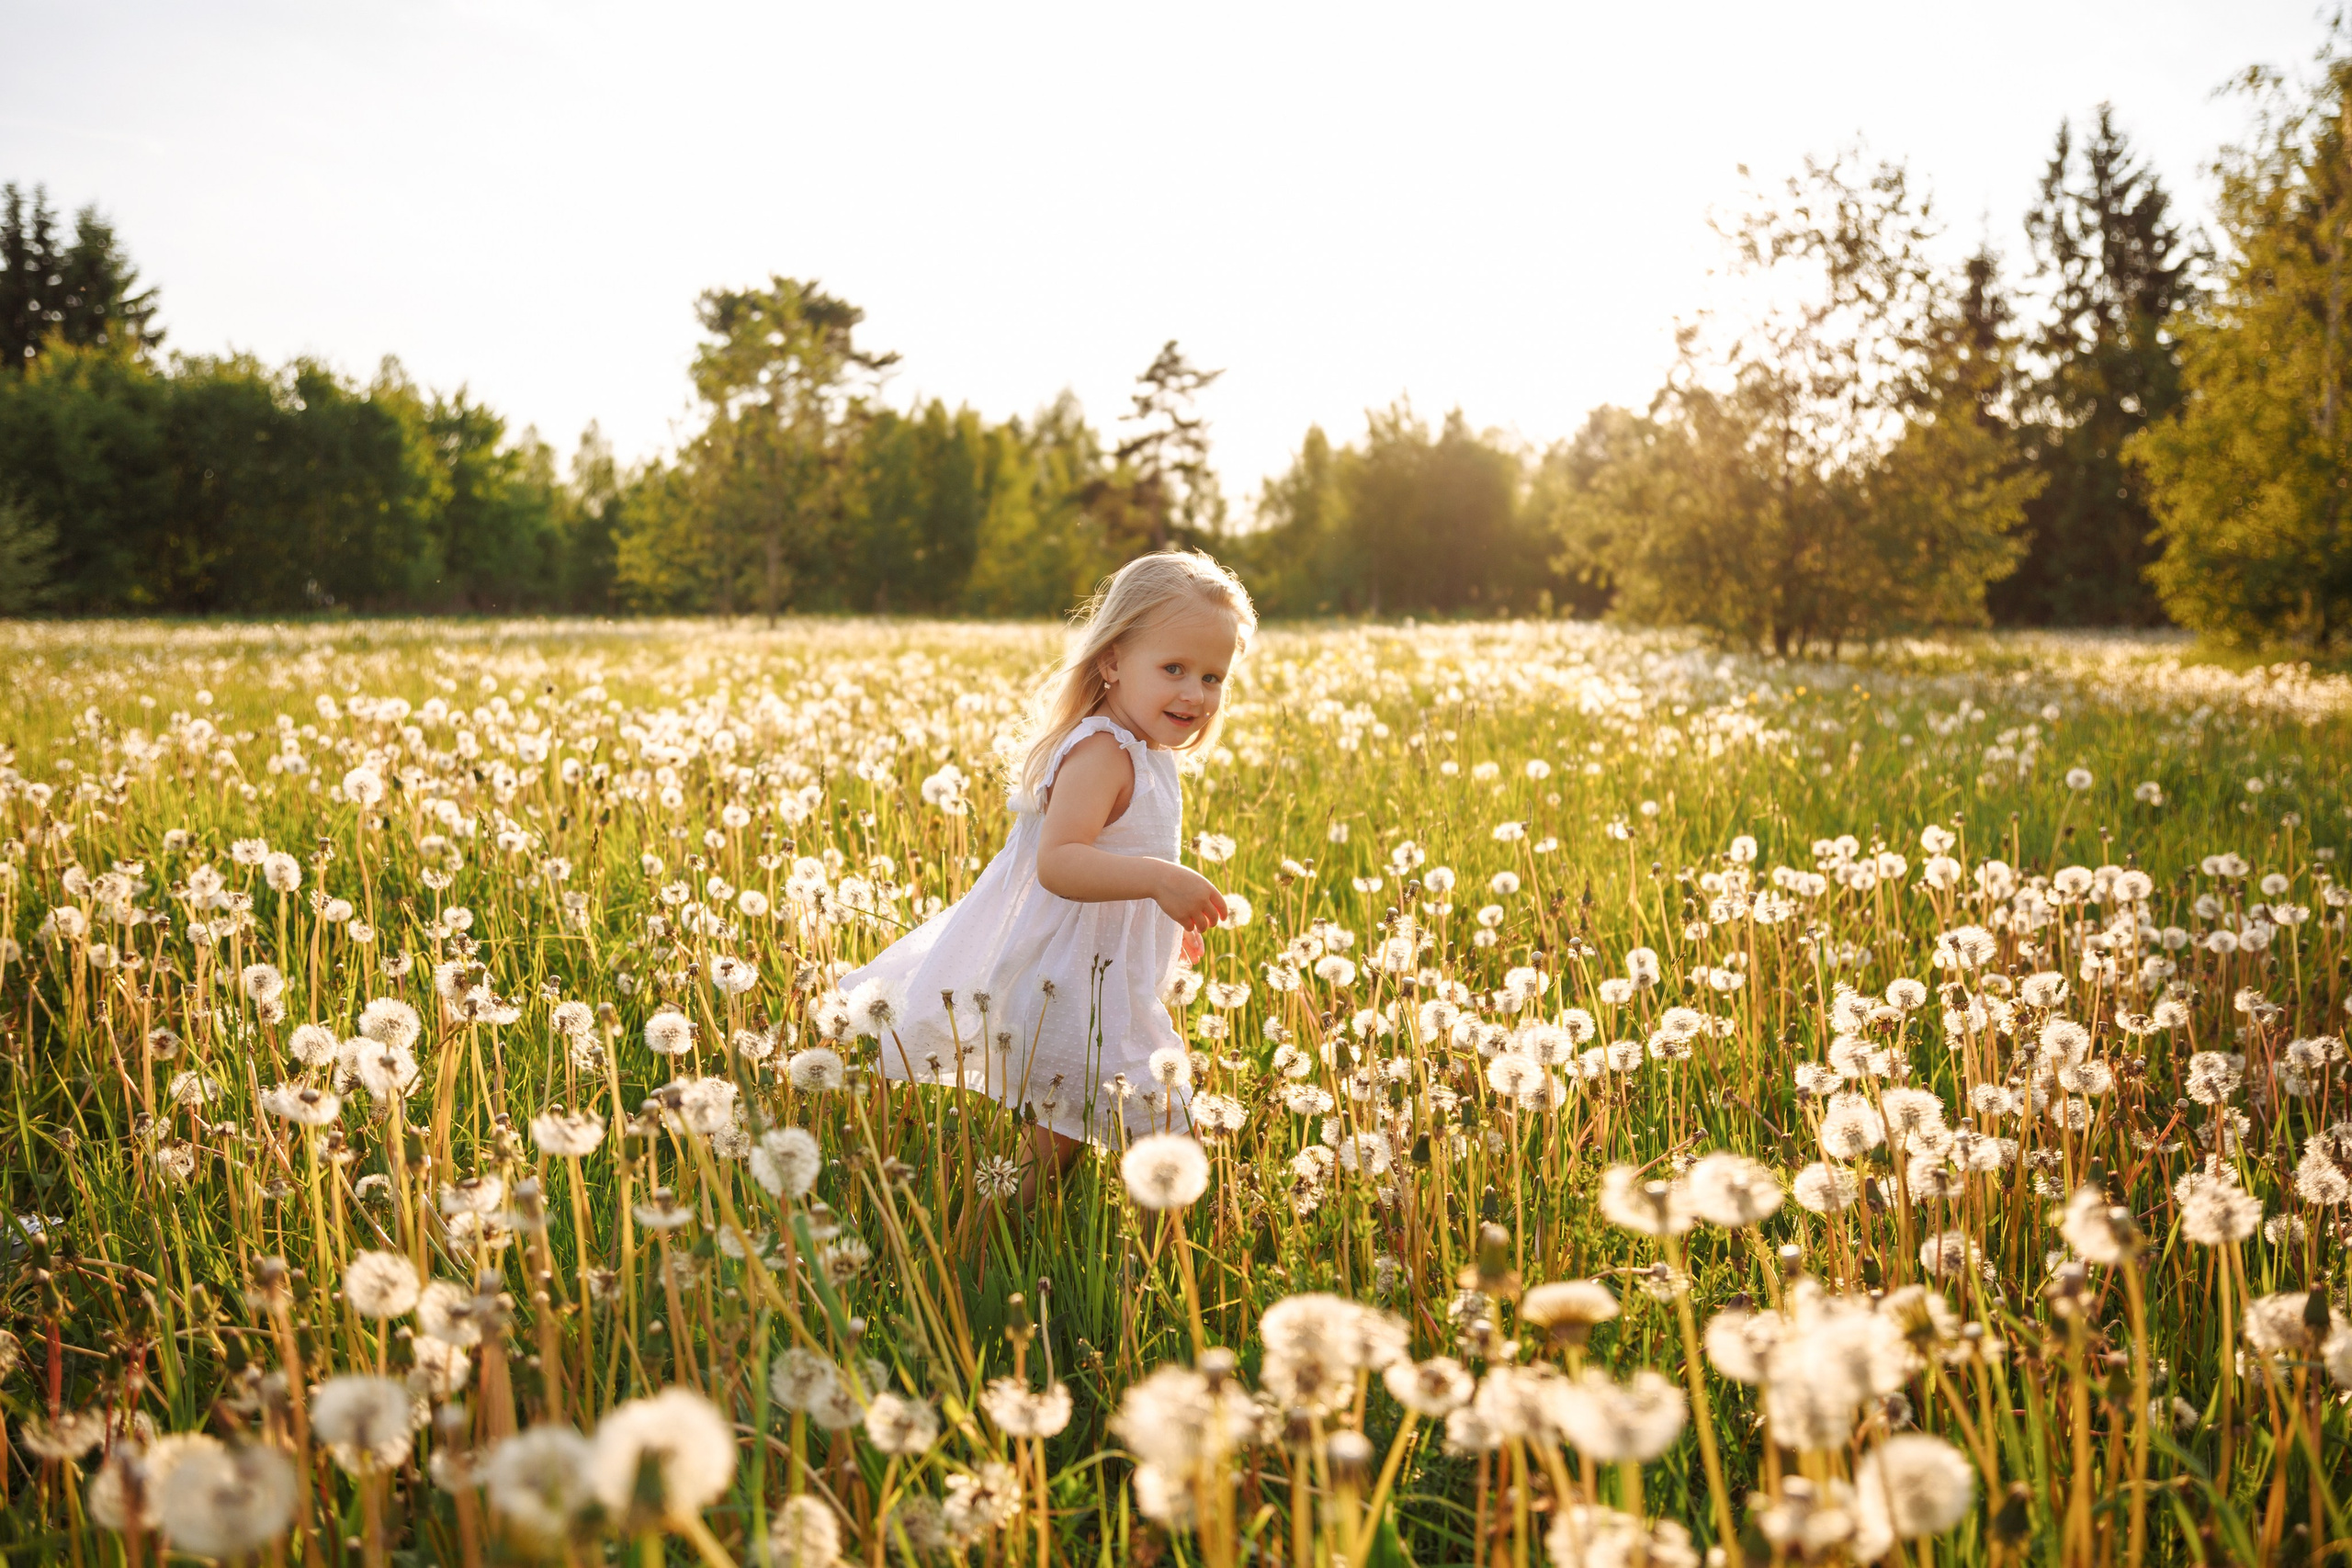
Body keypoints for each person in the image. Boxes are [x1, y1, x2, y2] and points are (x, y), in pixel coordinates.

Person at [832, 548, 1254, 1191]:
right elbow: (1060, 863)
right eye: (1174, 667)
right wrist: (1158, 881)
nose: (1195, 693)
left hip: (1099, 982)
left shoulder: (1145, 750)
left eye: (1213, 677)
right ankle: (1154, 1281)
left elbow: (1119, 865)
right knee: (1171, 1134)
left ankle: (972, 1254)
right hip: (1075, 992)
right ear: (1112, 660)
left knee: (1054, 1147)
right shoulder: (1103, 752)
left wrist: (1162, 915)